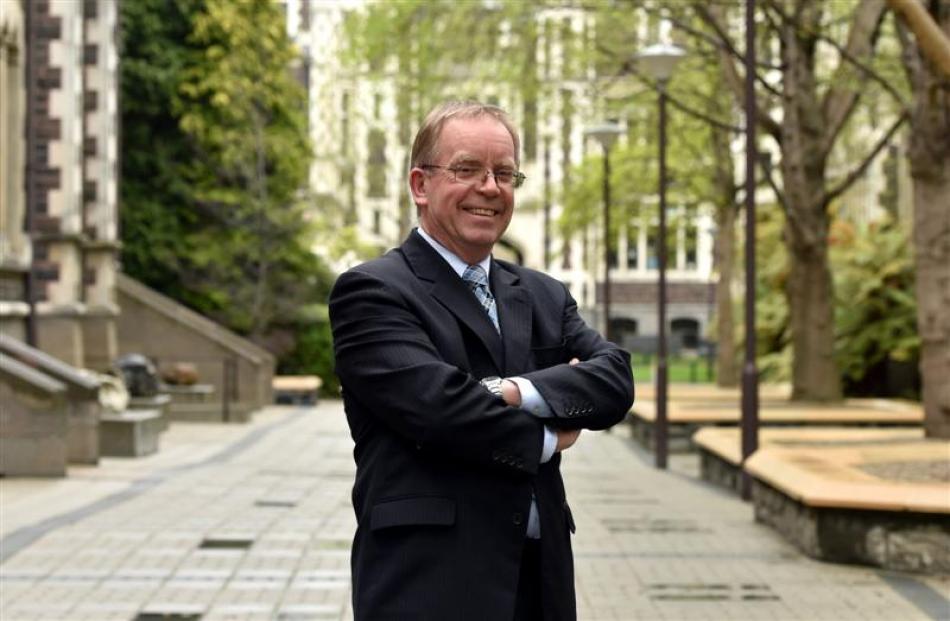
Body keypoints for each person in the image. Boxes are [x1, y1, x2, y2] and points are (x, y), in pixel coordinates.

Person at [329, 100, 634, 621]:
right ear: (420, 185)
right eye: (467, 169)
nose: (490, 188)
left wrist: (509, 391)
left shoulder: (544, 295)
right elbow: (438, 409)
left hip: (539, 580)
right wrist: (546, 434)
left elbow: (614, 379)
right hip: (429, 583)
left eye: (504, 173)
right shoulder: (373, 291)